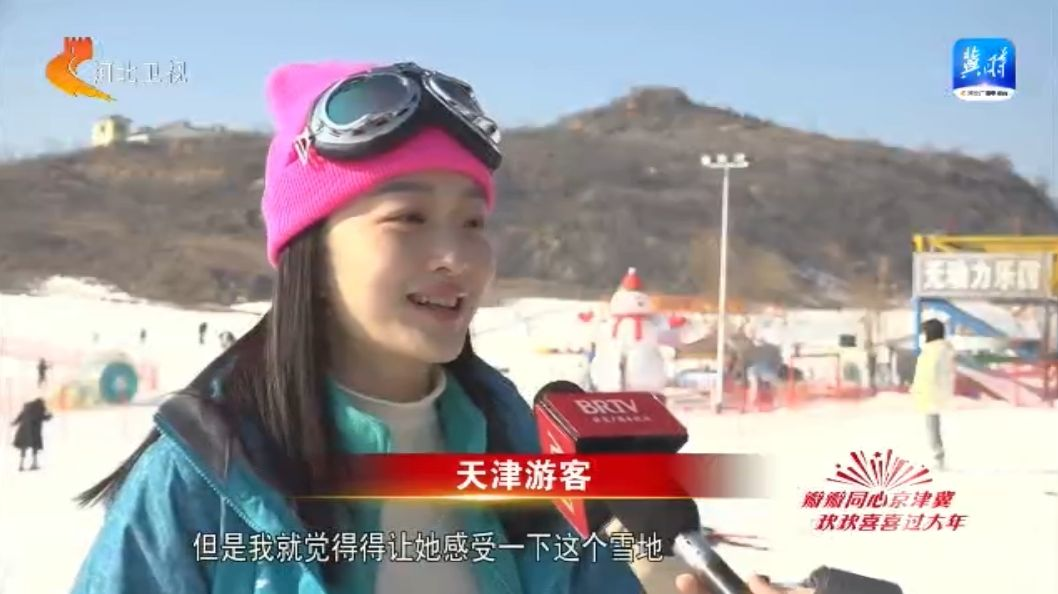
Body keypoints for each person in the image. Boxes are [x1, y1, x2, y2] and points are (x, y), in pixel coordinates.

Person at [69, 61, 809, 594]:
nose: (455, 256)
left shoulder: (519, 453)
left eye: (473, 222)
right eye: (409, 218)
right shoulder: (206, 476)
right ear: (309, 254)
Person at [910, 318, 955, 471]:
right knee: (932, 425)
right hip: (934, 391)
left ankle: (938, 458)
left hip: (931, 392)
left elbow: (928, 372)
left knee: (932, 427)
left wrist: (919, 388)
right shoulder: (941, 349)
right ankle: (938, 457)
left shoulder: (933, 350)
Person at [12, 398, 52, 471]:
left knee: (23, 448)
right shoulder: (39, 409)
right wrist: (50, 415)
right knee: (35, 447)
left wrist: (13, 423)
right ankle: (34, 464)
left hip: (23, 431)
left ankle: (21, 465)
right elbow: (45, 418)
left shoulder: (26, 409)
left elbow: (19, 417)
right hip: (35, 432)